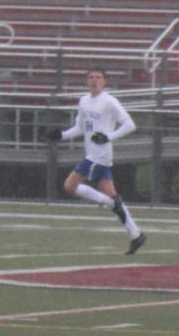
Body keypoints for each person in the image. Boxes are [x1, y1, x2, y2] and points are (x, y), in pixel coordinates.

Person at [49, 66, 146, 254]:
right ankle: (136, 235)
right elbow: (80, 128)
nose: (94, 80)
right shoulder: (84, 101)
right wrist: (61, 135)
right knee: (112, 197)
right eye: (91, 77)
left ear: (104, 81)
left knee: (70, 186)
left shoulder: (109, 101)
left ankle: (111, 204)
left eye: (98, 77)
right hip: (91, 153)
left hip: (99, 154)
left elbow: (130, 125)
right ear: (87, 81)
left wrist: (108, 136)